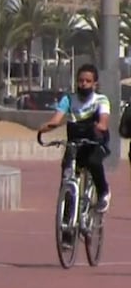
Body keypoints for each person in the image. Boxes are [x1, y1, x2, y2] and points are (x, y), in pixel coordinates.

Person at [37, 64, 111, 215]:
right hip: (74, 144)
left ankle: (104, 193)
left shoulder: (101, 100)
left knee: (93, 163)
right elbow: (56, 120)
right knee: (67, 174)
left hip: (95, 142)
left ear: (95, 84)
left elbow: (104, 121)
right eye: (81, 80)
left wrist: (100, 126)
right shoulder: (68, 99)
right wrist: (44, 129)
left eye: (88, 81)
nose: (83, 84)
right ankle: (66, 224)